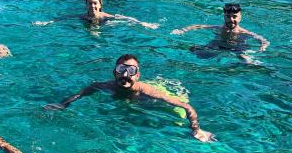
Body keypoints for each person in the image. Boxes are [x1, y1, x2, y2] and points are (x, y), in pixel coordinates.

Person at [45, 54, 215, 143]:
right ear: (114, 72)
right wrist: (62, 104)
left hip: (150, 102)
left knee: (176, 117)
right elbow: (82, 92)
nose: (126, 74)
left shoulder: (149, 92)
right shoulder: (105, 86)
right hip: (129, 103)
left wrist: (196, 129)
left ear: (137, 75)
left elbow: (187, 107)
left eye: (131, 71)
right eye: (121, 69)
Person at [171, 4, 269, 64]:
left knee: (245, 59)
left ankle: (254, 63)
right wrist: (182, 30)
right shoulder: (218, 28)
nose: (231, 19)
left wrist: (263, 46)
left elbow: (263, 40)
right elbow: (197, 26)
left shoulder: (243, 32)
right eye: (228, 16)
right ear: (224, 17)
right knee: (193, 49)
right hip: (218, 46)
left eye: (234, 16)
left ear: (240, 18)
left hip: (237, 48)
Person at [33, 0, 159, 29]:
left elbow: (124, 18)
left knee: (97, 34)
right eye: (89, 3)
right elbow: (65, 18)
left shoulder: (105, 16)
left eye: (94, 3)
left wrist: (141, 23)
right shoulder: (83, 16)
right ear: (86, 4)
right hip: (89, 24)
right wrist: (49, 22)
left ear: (99, 4)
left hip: (103, 24)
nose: (92, 6)